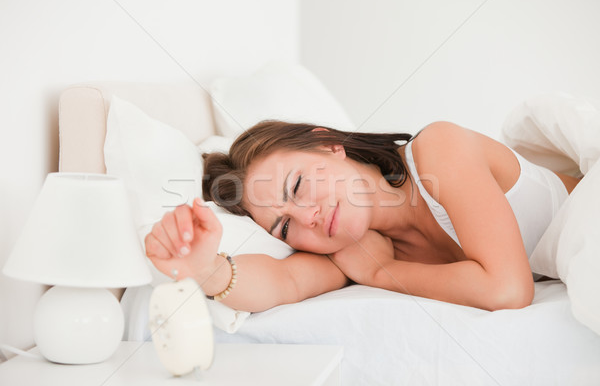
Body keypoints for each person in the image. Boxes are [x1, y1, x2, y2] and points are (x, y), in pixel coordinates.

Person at [145, 120, 581, 313]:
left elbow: (507, 290)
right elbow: (285, 282)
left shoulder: (439, 149)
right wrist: (206, 268)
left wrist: (385, 273)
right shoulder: (351, 246)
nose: (307, 218)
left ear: (329, 143)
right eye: (284, 226)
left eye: (296, 186)